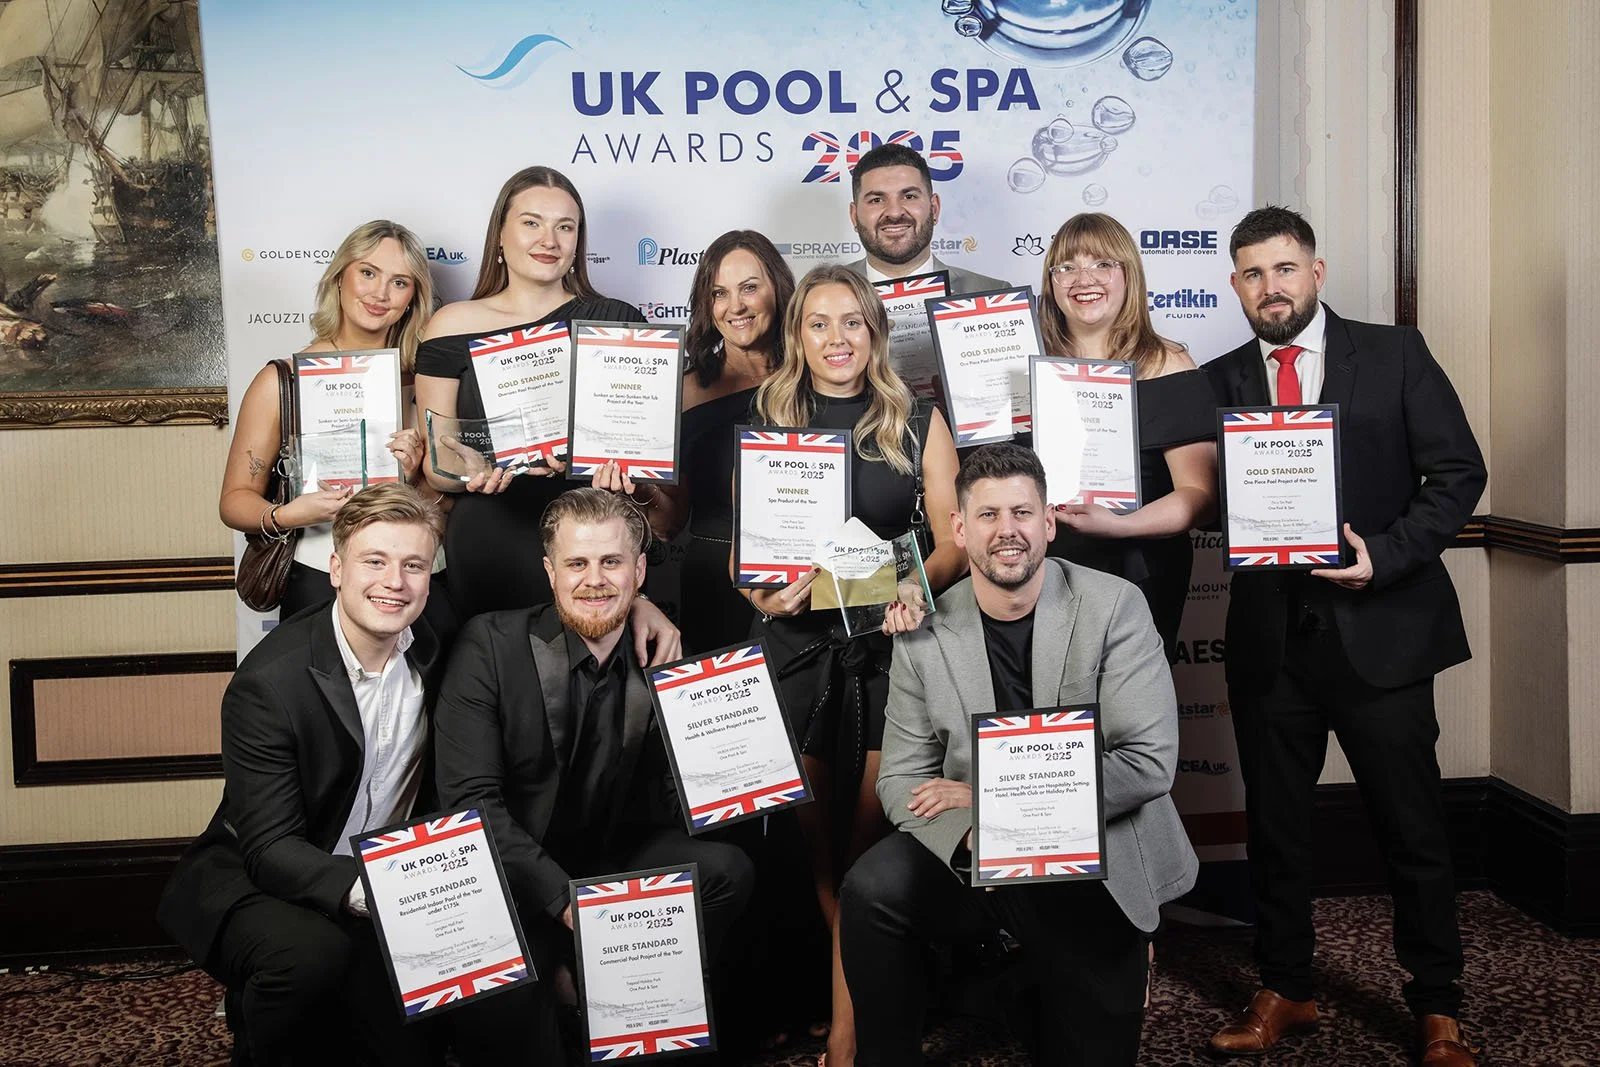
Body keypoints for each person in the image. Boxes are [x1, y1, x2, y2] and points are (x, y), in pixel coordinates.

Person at [1202, 206, 1485, 1066]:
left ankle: (1437, 1004)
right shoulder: (1217, 380)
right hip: (1270, 640)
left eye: (1284, 269)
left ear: (1316, 273)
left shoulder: (1395, 354)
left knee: (1411, 826)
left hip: (1381, 632)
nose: (1271, 287)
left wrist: (1384, 557)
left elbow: (1458, 471)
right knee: (1278, 828)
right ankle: (1286, 985)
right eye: (1253, 273)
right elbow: (1188, 494)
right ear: (1235, 285)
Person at [838, 443, 1198, 1066]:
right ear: (959, 528)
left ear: (1049, 523)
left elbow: (1147, 763)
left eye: (1022, 512)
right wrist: (980, 830)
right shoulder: (924, 631)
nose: (1007, 530)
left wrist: (991, 802)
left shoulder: (1115, 606)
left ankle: (1054, 978)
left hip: (1093, 860)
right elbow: (899, 779)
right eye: (988, 515)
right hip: (977, 855)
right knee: (872, 889)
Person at [736, 264, 965, 1067]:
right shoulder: (768, 418)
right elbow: (746, 556)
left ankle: (845, 1039)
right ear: (797, 335)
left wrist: (912, 584)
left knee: (868, 848)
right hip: (795, 652)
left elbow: (952, 540)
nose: (837, 339)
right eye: (819, 323)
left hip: (886, 652)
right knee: (816, 856)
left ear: (875, 331)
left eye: (852, 323)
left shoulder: (918, 419)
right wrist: (762, 594)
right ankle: (869, 998)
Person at [432, 488, 752, 1062]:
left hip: (606, 861)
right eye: (577, 563)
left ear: (640, 571)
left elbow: (675, 795)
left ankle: (625, 992)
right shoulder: (490, 645)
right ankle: (567, 981)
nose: (595, 580)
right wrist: (564, 904)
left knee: (726, 869)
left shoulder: (663, 655)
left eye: (611, 562)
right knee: (531, 1045)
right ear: (550, 572)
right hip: (517, 878)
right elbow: (471, 807)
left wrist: (737, 774)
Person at [159, 485, 449, 1067]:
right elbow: (269, 849)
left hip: (382, 874)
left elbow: (531, 619)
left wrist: (632, 604)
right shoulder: (270, 682)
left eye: (413, 565)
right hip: (256, 875)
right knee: (310, 958)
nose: (394, 581)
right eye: (374, 561)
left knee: (413, 1044)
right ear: (336, 570)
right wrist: (381, 895)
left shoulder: (437, 639)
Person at [414, 166, 652, 621]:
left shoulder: (615, 321)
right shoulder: (450, 325)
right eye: (531, 223)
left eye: (565, 227)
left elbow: (642, 446)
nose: (549, 240)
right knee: (494, 660)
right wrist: (468, 471)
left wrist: (616, 464)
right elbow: (438, 466)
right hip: (492, 535)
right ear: (500, 235)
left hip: (595, 541)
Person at [219, 220, 437, 621]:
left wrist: (415, 479)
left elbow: (449, 505)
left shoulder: (426, 383)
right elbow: (234, 501)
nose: (380, 294)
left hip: (416, 581)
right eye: (368, 273)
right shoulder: (283, 382)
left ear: (412, 298)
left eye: (399, 282)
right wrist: (291, 514)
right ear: (339, 278)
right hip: (319, 576)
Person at [1036, 212, 1219, 659]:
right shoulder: (1027, 365)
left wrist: (1119, 526)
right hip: (1041, 569)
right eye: (1067, 267)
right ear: (1051, 282)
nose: (1084, 279)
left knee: (1135, 696)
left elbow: (1200, 494)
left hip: (1141, 567)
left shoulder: (1170, 364)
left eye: (1102, 264)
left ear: (1128, 274)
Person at [632, 230, 795, 655]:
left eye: (750, 288)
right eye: (719, 293)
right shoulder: (684, 391)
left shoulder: (812, 377)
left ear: (778, 290)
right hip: (713, 584)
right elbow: (668, 524)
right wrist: (640, 487)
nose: (735, 306)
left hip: (802, 578)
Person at [841, 143, 1008, 293]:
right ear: (854, 216)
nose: (894, 213)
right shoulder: (825, 295)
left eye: (909, 197)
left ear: (934, 209)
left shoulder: (993, 294)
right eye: (876, 200)